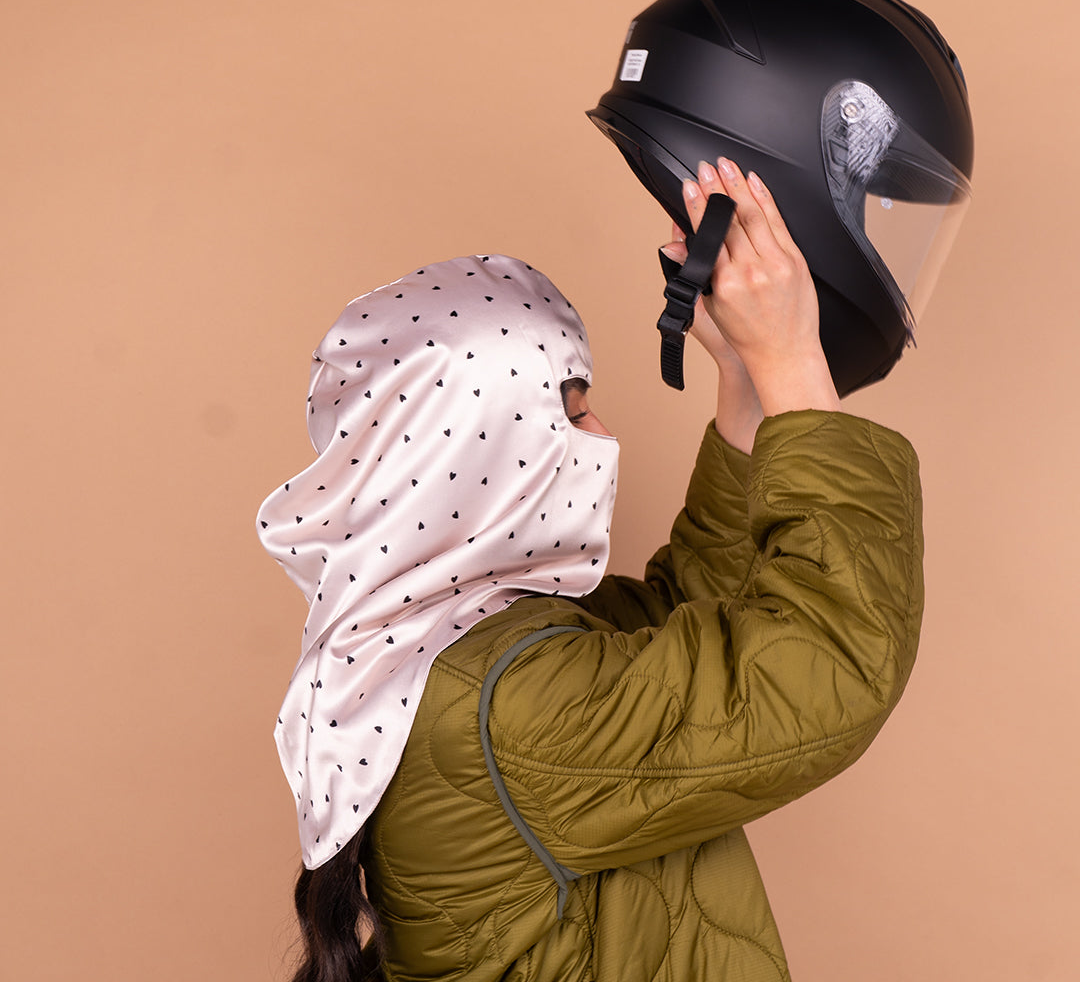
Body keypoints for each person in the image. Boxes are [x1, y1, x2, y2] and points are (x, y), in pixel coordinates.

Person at [257, 157, 924, 981]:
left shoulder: (452, 647)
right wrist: (790, 359)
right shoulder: (511, 707)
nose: (602, 433)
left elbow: (689, 615)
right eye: (571, 412)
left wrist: (745, 379)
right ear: (476, 458)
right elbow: (828, 664)